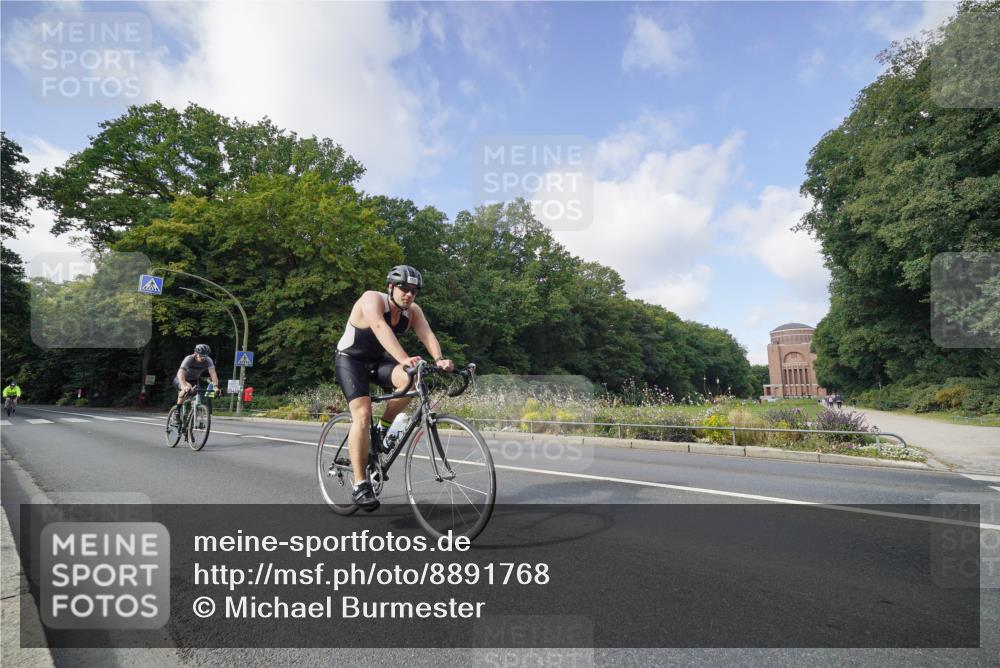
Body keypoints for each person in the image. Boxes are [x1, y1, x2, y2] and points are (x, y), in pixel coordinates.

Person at [334, 265, 454, 511]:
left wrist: (439, 358)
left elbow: (427, 333)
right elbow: (379, 327)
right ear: (390, 287)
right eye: (403, 288)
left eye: (413, 291)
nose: (408, 294)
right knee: (362, 414)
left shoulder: (413, 312)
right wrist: (404, 359)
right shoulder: (371, 299)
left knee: (412, 379)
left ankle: (384, 427)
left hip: (378, 362)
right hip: (351, 360)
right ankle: (360, 485)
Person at [173, 344, 221, 420]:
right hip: (181, 378)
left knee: (197, 397)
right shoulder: (189, 359)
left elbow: (213, 374)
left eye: (205, 356)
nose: (203, 358)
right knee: (186, 389)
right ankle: (177, 411)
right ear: (195, 353)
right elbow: (180, 373)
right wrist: (184, 386)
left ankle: (191, 415)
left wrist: (216, 387)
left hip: (194, 380)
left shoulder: (208, 360)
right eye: (201, 356)